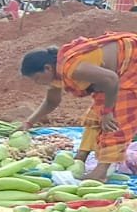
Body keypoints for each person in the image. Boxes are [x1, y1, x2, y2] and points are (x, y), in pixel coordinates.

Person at [22, 33, 137, 182]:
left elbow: (111, 79)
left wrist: (108, 112)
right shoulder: (55, 74)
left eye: (37, 78)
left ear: (47, 68)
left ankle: (101, 172)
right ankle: (81, 157)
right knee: (95, 116)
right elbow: (52, 101)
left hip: (130, 64)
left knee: (115, 119)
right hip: (111, 78)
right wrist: (28, 123)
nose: (37, 83)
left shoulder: (71, 68)